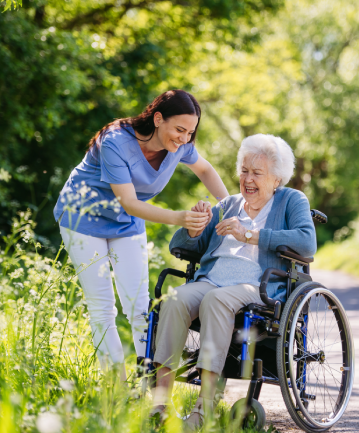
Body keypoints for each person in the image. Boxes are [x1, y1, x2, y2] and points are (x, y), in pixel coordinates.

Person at [53, 90, 229, 381]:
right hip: (82, 218)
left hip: (125, 224)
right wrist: (178, 218)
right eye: (179, 130)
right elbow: (130, 202)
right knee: (102, 306)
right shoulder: (115, 142)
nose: (184, 138)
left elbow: (206, 170)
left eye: (190, 132)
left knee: (139, 305)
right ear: (158, 119)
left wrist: (232, 208)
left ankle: (150, 383)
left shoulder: (181, 146)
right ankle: (117, 387)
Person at [151, 133, 317, 427]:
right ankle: (159, 404)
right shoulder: (228, 205)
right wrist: (195, 227)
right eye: (244, 171)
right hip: (211, 279)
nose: (248, 179)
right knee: (174, 300)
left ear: (276, 179)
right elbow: (183, 247)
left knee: (216, 300)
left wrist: (250, 235)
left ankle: (204, 407)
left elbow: (306, 243)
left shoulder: (291, 200)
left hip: (257, 285)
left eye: (257, 173)